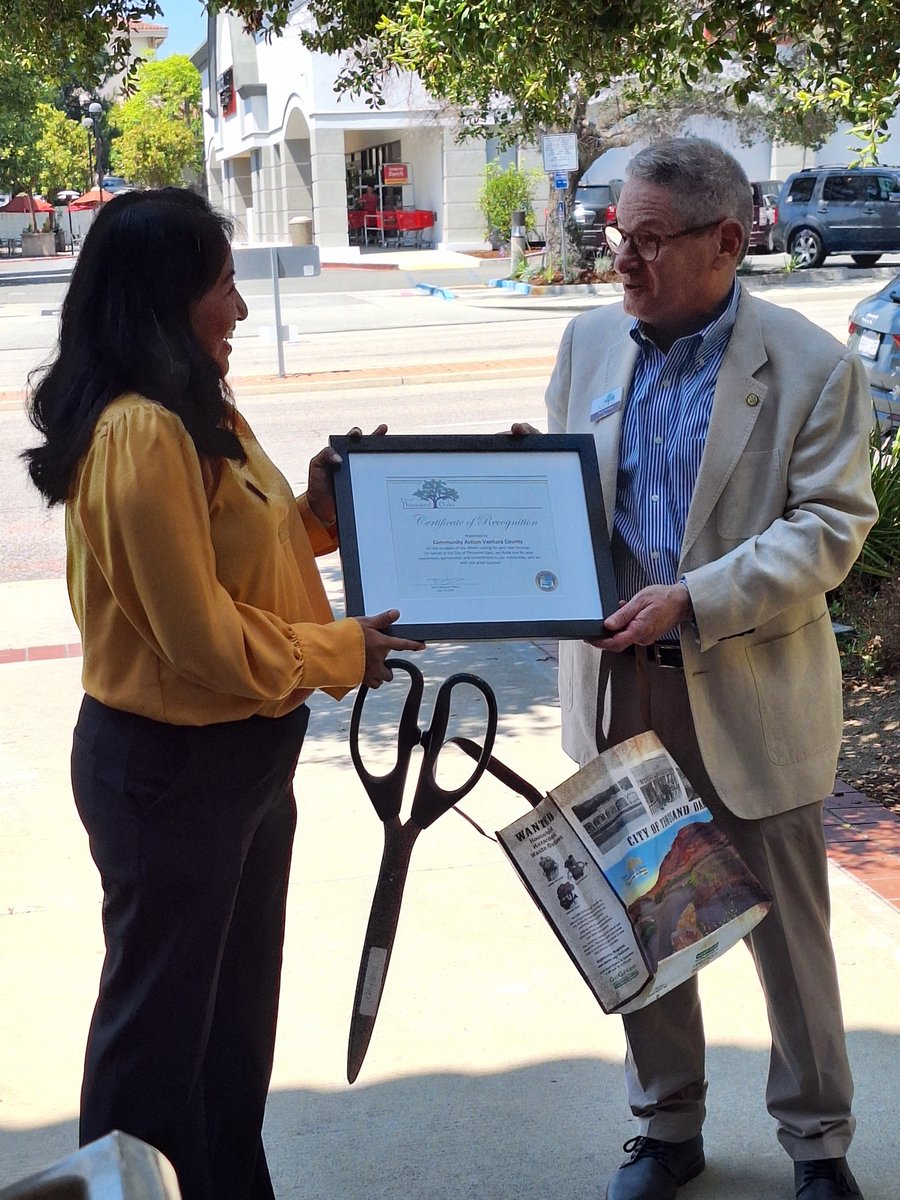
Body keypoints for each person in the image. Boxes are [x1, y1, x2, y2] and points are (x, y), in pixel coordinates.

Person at [22, 187, 424, 1200]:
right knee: (158, 1050)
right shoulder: (141, 431)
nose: (241, 309)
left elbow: (241, 560)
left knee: (229, 1039)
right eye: (223, 284)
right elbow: (197, 637)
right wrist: (340, 652)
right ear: (165, 297)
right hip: (174, 770)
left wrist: (317, 513)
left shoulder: (201, 406)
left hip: (240, 761)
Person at [525, 138, 878, 1200]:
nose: (621, 259)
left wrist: (697, 597)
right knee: (645, 914)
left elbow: (830, 525)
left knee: (788, 939)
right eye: (614, 235)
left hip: (749, 689)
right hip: (619, 686)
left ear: (727, 243)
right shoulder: (589, 343)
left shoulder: (812, 366)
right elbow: (571, 495)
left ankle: (818, 1145)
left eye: (647, 240)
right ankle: (666, 1127)